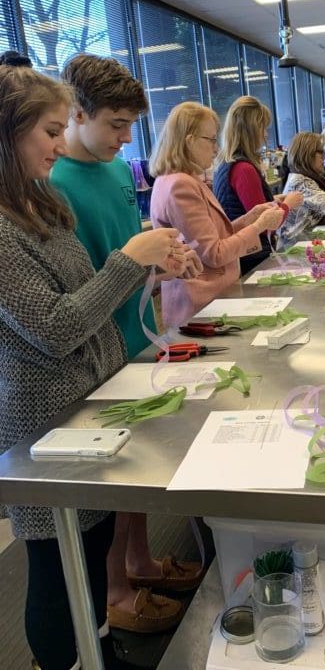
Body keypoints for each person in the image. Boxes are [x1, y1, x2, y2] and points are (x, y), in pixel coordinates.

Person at [0, 65, 186, 670]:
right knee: (58, 570)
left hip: (86, 412)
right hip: (43, 426)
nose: (59, 143)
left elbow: (87, 298)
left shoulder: (39, 200)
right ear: (9, 132)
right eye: (50, 131)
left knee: (95, 544)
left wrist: (145, 266)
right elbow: (53, 328)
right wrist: (130, 261)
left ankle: (100, 646)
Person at [51, 54, 201, 635]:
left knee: (133, 470)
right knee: (106, 484)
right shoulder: (57, 182)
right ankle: (115, 590)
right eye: (115, 124)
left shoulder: (116, 170)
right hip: (91, 349)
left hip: (131, 339)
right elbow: (77, 284)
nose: (126, 137)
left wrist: (162, 261)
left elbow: (122, 250)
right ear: (76, 113)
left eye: (131, 124)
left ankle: (138, 564)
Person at [150, 101, 285, 325]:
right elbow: (214, 253)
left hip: (212, 302)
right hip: (202, 306)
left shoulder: (182, 180)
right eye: (211, 140)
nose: (216, 148)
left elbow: (211, 238)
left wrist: (249, 218)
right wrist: (259, 226)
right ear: (190, 141)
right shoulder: (180, 185)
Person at [213, 96, 302, 273]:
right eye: (263, 128)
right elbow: (267, 223)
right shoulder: (244, 169)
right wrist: (288, 205)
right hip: (251, 258)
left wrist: (274, 199)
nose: (266, 134)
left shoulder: (225, 165)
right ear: (251, 130)